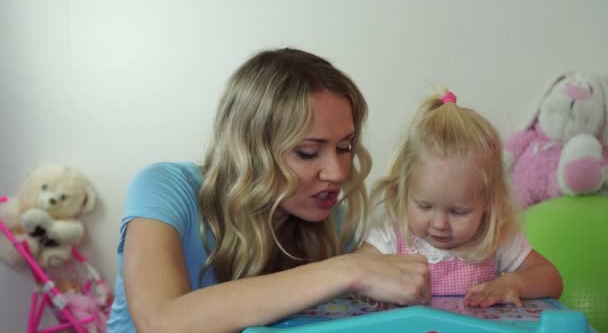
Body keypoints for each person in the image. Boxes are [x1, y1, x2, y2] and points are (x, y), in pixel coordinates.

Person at [107, 48, 430, 333]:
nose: (338, 172)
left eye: (345, 147)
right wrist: (348, 269)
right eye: (307, 152)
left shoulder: (331, 219)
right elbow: (163, 322)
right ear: (251, 150)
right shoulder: (164, 187)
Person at [361, 90, 563, 308]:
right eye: (424, 206)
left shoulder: (496, 238)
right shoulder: (391, 236)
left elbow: (551, 279)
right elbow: (353, 272)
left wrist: (513, 283)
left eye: (458, 211)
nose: (439, 224)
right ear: (403, 191)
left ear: (488, 202)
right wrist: (373, 284)